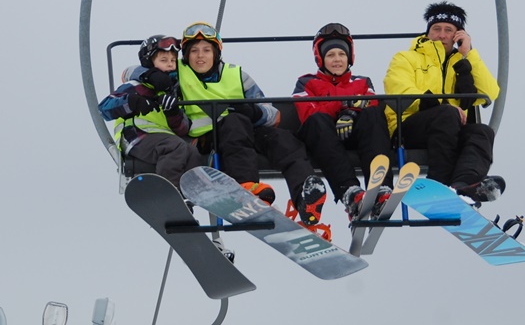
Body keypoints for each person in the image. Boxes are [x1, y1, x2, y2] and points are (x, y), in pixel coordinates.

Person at [132, 22, 327, 226]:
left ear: (216, 53)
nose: (200, 56)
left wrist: (254, 111)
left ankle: (305, 196)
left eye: (206, 50)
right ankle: (245, 186)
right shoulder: (178, 72)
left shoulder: (237, 75)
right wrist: (150, 75)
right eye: (194, 51)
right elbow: (131, 72)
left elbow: (274, 116)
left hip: (246, 130)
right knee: (234, 122)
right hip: (208, 138)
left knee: (282, 139)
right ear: (186, 56)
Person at [383, 1, 504, 202]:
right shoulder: (406, 58)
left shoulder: (462, 62)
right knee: (447, 114)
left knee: (483, 132)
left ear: (458, 35)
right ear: (428, 32)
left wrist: (468, 54)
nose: (441, 35)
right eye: (436, 29)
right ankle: (438, 184)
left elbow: (489, 92)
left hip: (449, 129)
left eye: (449, 30)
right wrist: (444, 107)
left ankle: (463, 186)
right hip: (408, 128)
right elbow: (399, 89)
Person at [292, 23, 394, 221]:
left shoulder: (362, 82)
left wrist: (350, 114)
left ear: (349, 57)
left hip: (357, 135)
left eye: (341, 54)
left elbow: (371, 103)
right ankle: (351, 192)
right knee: (316, 121)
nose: (337, 59)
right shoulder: (306, 83)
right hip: (325, 139)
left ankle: (381, 188)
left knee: (373, 115)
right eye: (330, 55)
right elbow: (307, 112)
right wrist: (344, 105)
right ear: (321, 58)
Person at [98, 35, 204, 189]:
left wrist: (172, 113)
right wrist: (133, 102)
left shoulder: (173, 92)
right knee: (175, 147)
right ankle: (167, 190)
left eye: (173, 60)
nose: (170, 64)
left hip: (163, 138)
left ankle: (191, 193)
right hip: (136, 136)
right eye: (163, 60)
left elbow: (182, 129)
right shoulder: (136, 86)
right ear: (150, 62)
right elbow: (104, 108)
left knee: (192, 152)